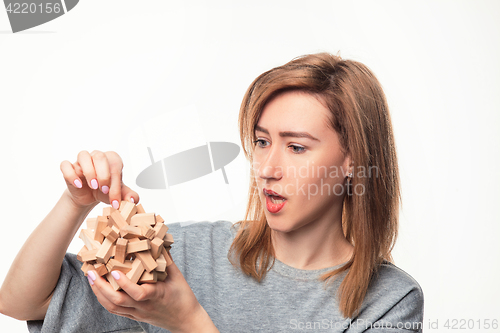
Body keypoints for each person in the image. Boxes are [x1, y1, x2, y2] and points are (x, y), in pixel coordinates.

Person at [0, 52, 424, 332]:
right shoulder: (187, 253)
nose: (267, 168)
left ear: (353, 162)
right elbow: (22, 302)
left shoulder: (390, 302)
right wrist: (73, 204)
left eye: (296, 147)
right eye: (261, 142)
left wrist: (186, 319)